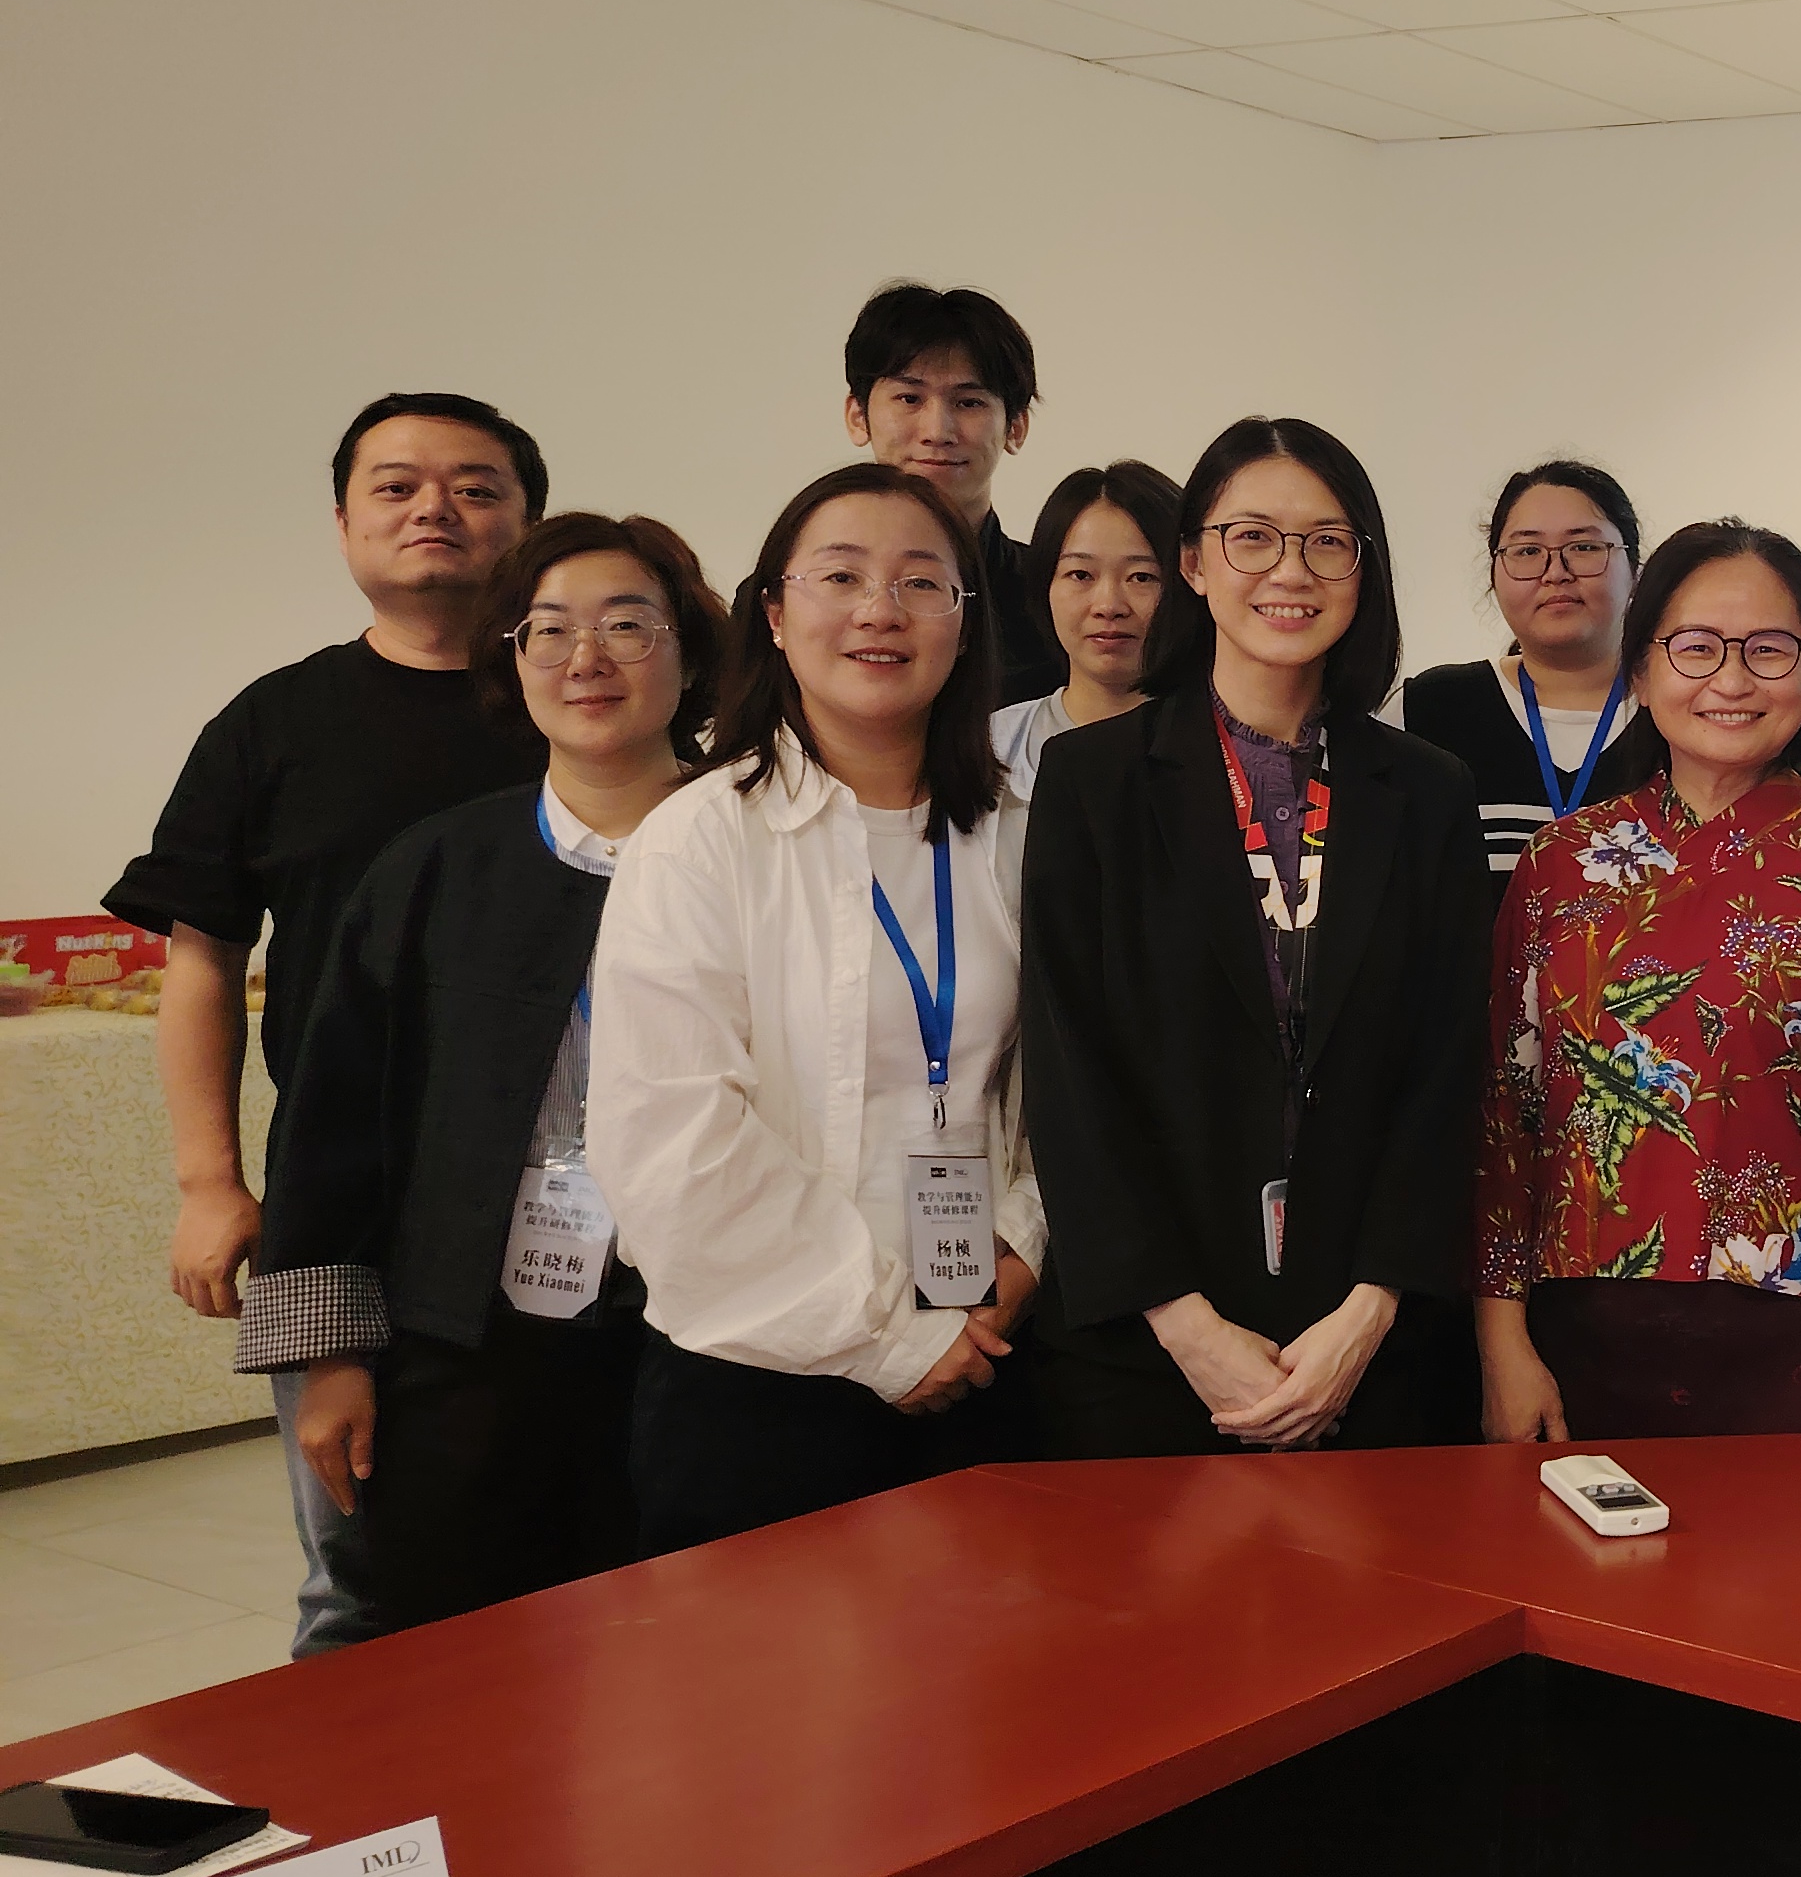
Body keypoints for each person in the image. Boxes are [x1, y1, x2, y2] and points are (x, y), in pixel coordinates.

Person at [107, 390, 548, 1654]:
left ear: (528, 521)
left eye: (476, 487)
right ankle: (370, 1847)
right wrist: (209, 1179)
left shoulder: (581, 704)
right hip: (349, 1193)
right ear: (344, 518)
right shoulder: (273, 725)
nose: (436, 510)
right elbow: (201, 962)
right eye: (397, 484)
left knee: (572, 1538)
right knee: (359, 1571)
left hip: (580, 1184)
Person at [231, 515, 725, 1633]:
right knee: (457, 1652)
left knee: (691, 1649)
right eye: (546, 630)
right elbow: (336, 1124)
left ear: (690, 654)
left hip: (712, 1340)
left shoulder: (763, 848)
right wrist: (331, 1356)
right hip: (471, 1349)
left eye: (627, 625)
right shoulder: (435, 867)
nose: (585, 659)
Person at [588, 466, 1044, 1553]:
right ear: (777, 616)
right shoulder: (699, 841)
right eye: (841, 575)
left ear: (964, 623)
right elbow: (671, 1145)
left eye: (922, 582)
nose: (882, 610)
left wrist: (1018, 1254)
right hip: (759, 1391)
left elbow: (1061, 1091)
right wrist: (890, 1338)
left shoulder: (1020, 835)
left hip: (992, 1352)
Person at [1021, 420, 1487, 1457]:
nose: (1291, 570)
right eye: (1253, 538)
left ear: (1363, 569)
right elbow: (1068, 1070)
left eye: (1328, 541)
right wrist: (1186, 1328)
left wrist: (1370, 1311)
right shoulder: (1090, 782)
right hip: (1146, 1345)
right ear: (1192, 562)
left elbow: (1449, 1066)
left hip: (1373, 1344)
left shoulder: (1426, 789)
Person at [1476, 520, 1801, 1440]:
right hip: (1578, 1337)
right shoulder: (1561, 864)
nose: (1731, 681)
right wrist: (1504, 1345)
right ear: (1642, 668)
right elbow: (1510, 1116)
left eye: (1769, 651)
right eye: (1696, 648)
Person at [1397, 460, 1643, 883]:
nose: (1556, 573)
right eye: (1527, 551)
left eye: (1584, 548)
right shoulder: (1429, 711)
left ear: (1635, 570)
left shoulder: (1685, 714)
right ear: (1495, 574)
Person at [844, 280, 1062, 703]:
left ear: (1015, 428)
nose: (937, 432)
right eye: (909, 398)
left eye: (969, 403)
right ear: (858, 416)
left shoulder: (1057, 600)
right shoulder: (795, 594)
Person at [989, 459, 1186, 801]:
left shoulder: (1222, 748)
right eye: (1081, 575)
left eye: (1141, 577)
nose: (1108, 606)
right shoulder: (991, 748)